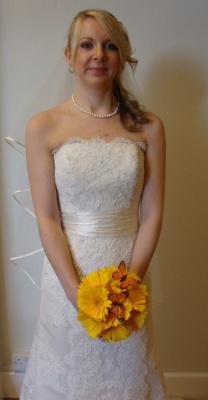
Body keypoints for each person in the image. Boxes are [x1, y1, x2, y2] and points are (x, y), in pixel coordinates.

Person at [20, 8, 167, 400]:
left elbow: (151, 214)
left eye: (109, 45)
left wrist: (128, 286)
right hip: (69, 272)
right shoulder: (43, 126)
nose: (98, 54)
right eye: (86, 44)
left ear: (121, 57)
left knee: (126, 373)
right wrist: (74, 292)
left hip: (128, 270)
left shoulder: (149, 127)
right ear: (69, 56)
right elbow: (48, 218)